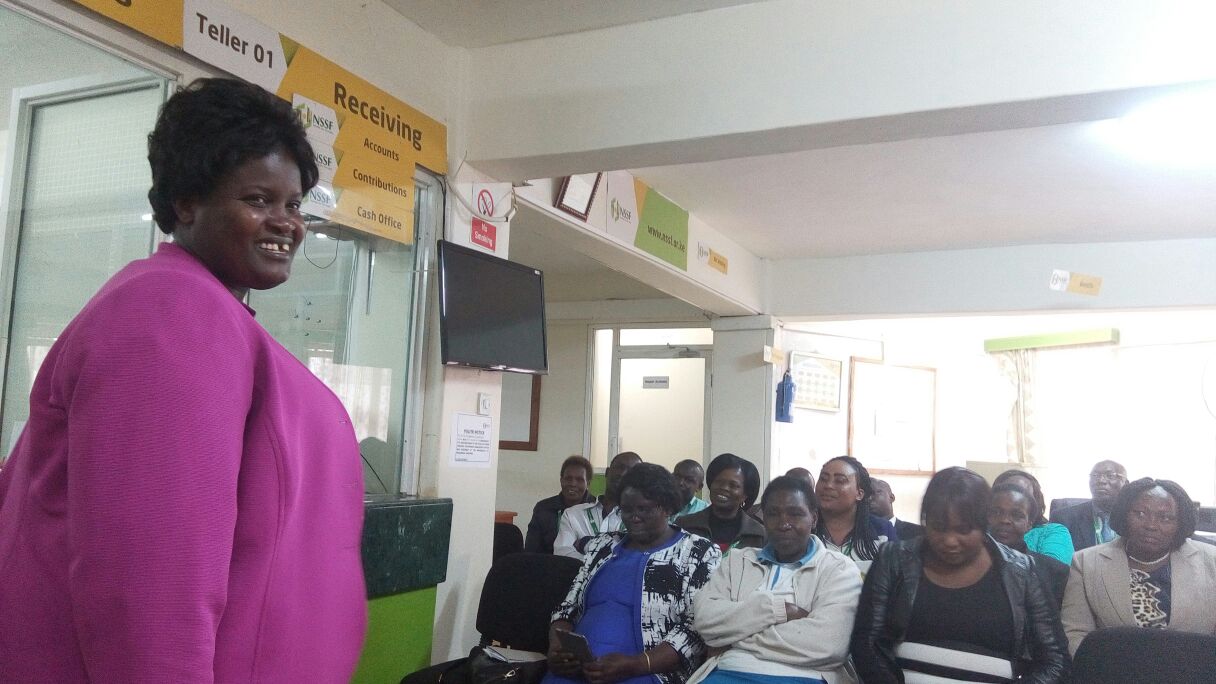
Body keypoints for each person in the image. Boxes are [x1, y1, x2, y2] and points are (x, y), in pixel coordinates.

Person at [0, 78, 367, 681]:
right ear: (187, 203)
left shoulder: (204, 310)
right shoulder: (169, 311)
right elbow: (149, 586)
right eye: (258, 199)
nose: (287, 223)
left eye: (294, 204)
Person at [851, 467, 1070, 683]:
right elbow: (867, 643)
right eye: (938, 527)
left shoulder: (1022, 571)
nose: (950, 541)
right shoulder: (894, 559)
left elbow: (1055, 662)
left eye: (964, 530)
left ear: (984, 524)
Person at [545, 463, 722, 684]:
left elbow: (694, 629)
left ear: (667, 507)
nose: (633, 517)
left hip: (649, 671)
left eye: (644, 509)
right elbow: (567, 608)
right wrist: (558, 649)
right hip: (579, 668)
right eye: (626, 510)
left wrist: (636, 665)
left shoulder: (697, 552)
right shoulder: (603, 545)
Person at [689, 475, 862, 684]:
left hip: (803, 676)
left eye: (795, 514)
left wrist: (734, 637)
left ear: (814, 518)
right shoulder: (738, 561)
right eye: (773, 514)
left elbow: (829, 644)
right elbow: (706, 620)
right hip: (729, 671)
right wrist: (779, 610)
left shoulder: (839, 569)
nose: (783, 524)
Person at [1061, 477, 1216, 655]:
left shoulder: (1211, 561)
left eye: (1165, 518)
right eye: (1140, 514)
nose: (1151, 525)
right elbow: (1076, 632)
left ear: (1180, 523)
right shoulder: (1086, 562)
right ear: (1124, 515)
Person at [988, 483, 1069, 607]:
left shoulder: (1054, 572)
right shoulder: (969, 566)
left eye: (1016, 515)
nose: (1004, 520)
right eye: (997, 512)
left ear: (1029, 524)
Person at [814, 456, 896, 573]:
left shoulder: (882, 531)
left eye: (840, 481)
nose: (828, 485)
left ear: (859, 494)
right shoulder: (804, 530)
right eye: (823, 479)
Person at [556, 451, 642, 558]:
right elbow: (563, 553)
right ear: (607, 472)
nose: (623, 473)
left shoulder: (641, 519)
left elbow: (635, 557)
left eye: (631, 471)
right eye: (620, 467)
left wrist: (584, 545)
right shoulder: (573, 514)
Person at [676, 453, 766, 553]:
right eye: (719, 482)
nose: (724, 488)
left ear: (745, 495)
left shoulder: (759, 535)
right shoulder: (684, 525)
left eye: (733, 485)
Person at [993, 469, 1075, 565]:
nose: (1012, 498)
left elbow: (1053, 573)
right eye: (1007, 491)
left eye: (1021, 494)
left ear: (1036, 502)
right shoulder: (983, 531)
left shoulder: (1053, 532)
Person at [1050, 460, 1127, 552]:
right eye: (1095, 476)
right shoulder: (1064, 518)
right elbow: (1056, 561)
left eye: (1110, 476)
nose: (1101, 481)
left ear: (1125, 483)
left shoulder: (1135, 517)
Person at [526, 455, 597, 553]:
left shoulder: (597, 508)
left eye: (579, 480)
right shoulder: (543, 508)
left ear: (588, 483)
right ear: (561, 480)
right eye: (568, 478)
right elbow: (531, 550)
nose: (573, 483)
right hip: (548, 565)